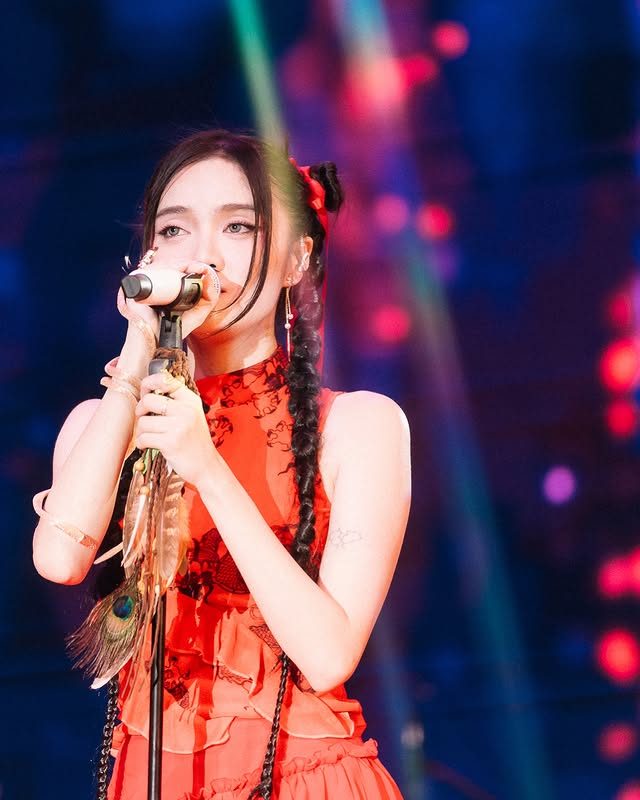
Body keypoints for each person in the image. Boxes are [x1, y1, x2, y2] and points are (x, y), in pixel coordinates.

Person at [32, 129, 411, 800]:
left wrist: (205, 466)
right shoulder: (102, 424)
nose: (203, 252)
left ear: (296, 259)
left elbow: (328, 654)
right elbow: (60, 559)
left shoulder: (358, 426)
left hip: (301, 777)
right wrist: (137, 357)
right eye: (174, 230)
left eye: (238, 226)